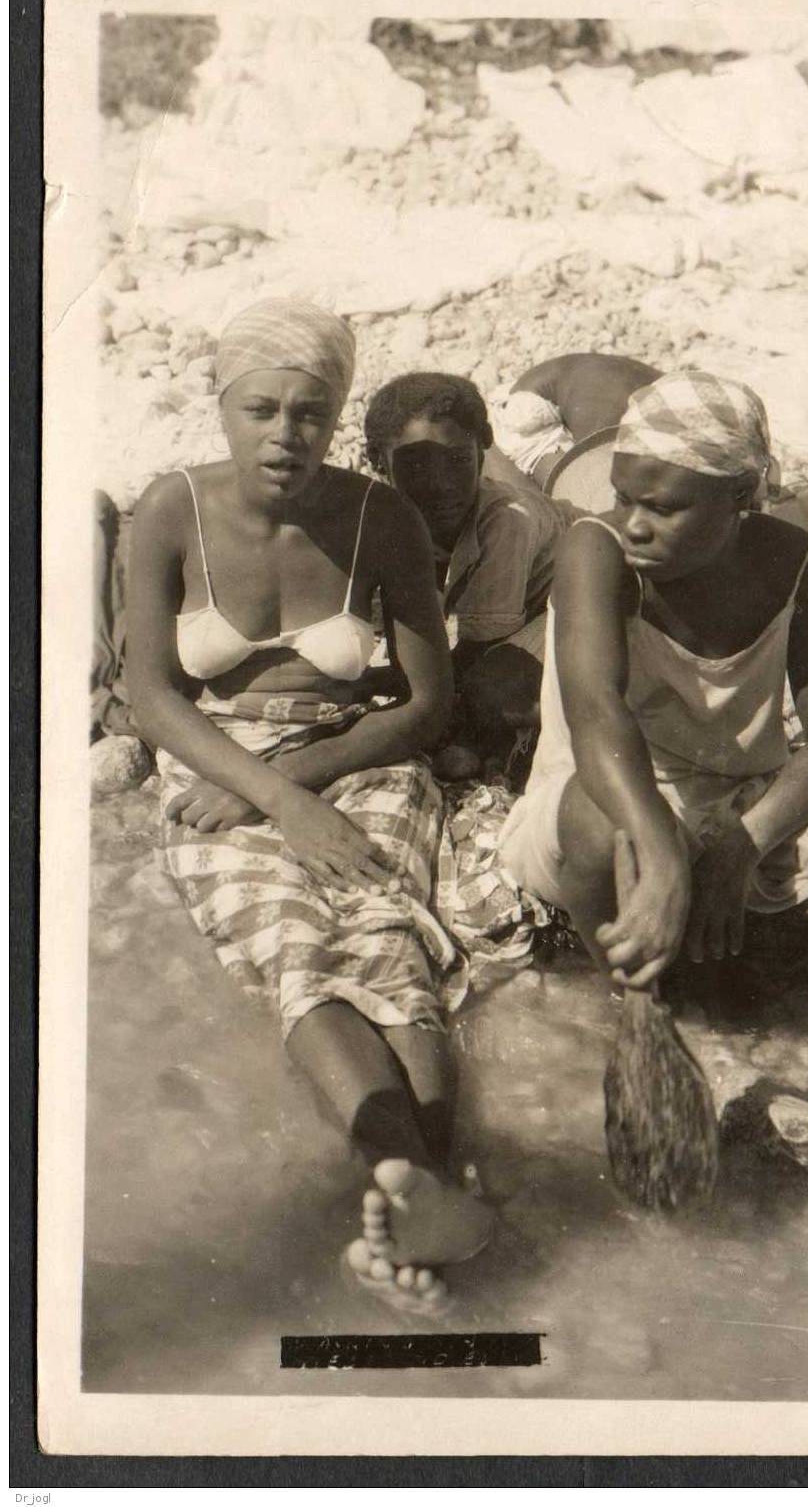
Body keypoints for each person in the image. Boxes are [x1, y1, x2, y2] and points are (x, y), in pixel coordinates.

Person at [127, 299, 491, 1310]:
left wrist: (306, 784)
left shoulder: (383, 517)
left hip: (357, 754)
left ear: (337, 420)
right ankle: (422, 1189)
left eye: (310, 413)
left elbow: (427, 701)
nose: (284, 435)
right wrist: (272, 800)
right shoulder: (170, 509)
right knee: (293, 942)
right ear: (221, 406)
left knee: (389, 937)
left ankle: (413, 1189)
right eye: (261, 409)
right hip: (217, 769)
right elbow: (151, 695)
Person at [499, 369, 808, 992]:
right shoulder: (597, 551)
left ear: (742, 494)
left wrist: (741, 848)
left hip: (741, 801)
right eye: (624, 497)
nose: (635, 523)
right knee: (604, 828)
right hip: (608, 795)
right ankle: (655, 975)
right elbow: (596, 714)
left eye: (663, 508)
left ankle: (711, 956)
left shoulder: (796, 563)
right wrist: (663, 849)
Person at [363, 371, 572, 776]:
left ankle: (510, 740)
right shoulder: (384, 516)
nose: (440, 485)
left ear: (485, 445)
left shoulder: (507, 521)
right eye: (415, 465)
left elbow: (476, 649)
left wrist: (393, 691)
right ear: (377, 460)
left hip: (578, 597)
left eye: (458, 461)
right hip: (524, 610)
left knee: (488, 688)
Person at [491, 352, 664, 489]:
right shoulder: (610, 412)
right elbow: (590, 468)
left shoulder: (671, 391)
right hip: (526, 412)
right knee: (580, 496)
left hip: (547, 385)